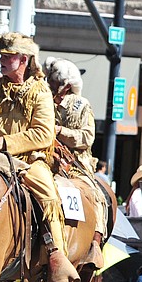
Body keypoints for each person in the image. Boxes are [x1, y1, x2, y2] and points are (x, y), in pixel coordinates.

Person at [0, 32, 79, 282]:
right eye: (1, 55)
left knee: (48, 194)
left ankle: (57, 256)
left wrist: (7, 142)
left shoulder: (40, 92)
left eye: (8, 56)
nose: (2, 60)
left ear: (24, 59)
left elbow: (44, 134)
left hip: (26, 162)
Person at [43, 56, 106, 267]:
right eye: (49, 80)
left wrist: (60, 131)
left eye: (54, 81)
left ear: (66, 85)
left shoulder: (81, 105)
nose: (50, 85)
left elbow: (87, 137)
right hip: (44, 157)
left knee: (95, 195)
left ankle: (94, 244)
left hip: (76, 163)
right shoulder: (43, 101)